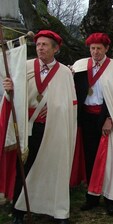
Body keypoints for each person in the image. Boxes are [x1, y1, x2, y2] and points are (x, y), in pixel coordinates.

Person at [1, 30, 77, 224]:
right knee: (23, 168)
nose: (40, 48)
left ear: (55, 49)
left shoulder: (65, 73)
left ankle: (55, 210)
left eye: (45, 45)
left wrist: (54, 112)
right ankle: (19, 210)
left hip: (53, 128)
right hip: (27, 128)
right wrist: (9, 90)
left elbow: (69, 103)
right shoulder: (24, 67)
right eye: (38, 44)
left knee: (53, 167)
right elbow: (13, 98)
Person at [72, 33, 113, 215]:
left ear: (106, 49)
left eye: (99, 48)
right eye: (92, 48)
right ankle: (92, 196)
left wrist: (111, 118)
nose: (95, 52)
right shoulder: (80, 65)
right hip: (86, 118)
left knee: (109, 159)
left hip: (106, 117)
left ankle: (111, 198)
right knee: (90, 157)